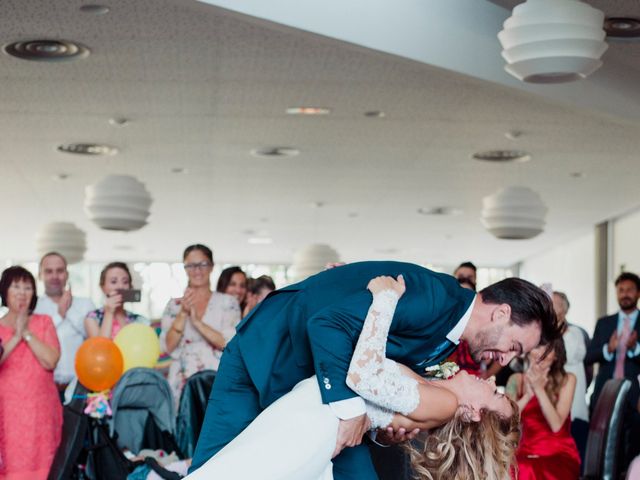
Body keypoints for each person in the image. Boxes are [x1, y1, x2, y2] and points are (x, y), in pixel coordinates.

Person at [190, 261, 560, 478]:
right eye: (514, 346)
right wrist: (353, 412)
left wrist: (384, 428)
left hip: (320, 399)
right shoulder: (433, 297)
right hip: (266, 358)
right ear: (502, 313)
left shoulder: (448, 338)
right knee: (218, 466)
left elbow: (382, 375)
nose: (506, 360)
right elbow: (327, 325)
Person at [0, 266, 62, 479]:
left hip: (42, 412)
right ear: (4, 291)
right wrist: (15, 337)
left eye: (27, 287)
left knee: (47, 467)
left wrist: (26, 332)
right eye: (15, 286)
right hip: (8, 413)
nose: (21, 292)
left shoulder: (44, 322)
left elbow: (50, 361)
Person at [160, 244, 241, 407]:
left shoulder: (228, 302)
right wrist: (183, 313)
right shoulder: (173, 305)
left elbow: (228, 343)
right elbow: (168, 346)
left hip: (216, 378)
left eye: (202, 264)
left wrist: (197, 322)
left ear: (211, 266)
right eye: (191, 265)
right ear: (185, 268)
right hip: (182, 379)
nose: (197, 270)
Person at [585, 271, 640, 468]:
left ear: (638, 293)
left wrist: (635, 348)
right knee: (604, 442)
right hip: (606, 390)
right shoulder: (605, 323)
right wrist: (608, 349)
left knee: (634, 441)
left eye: (630, 290)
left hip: (636, 394)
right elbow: (589, 356)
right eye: (621, 290)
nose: (625, 294)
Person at [507, 338, 580, 479]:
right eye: (537, 346)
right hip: (524, 452)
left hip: (559, 454)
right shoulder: (516, 379)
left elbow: (556, 426)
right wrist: (528, 395)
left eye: (547, 348)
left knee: (527, 469)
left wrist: (539, 390)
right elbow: (507, 421)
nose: (540, 353)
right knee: (509, 469)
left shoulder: (568, 379)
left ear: (557, 354)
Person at [34, 252, 95, 399]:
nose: (55, 276)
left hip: (81, 389)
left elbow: (94, 340)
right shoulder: (34, 307)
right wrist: (59, 314)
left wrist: (70, 311)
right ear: (40, 275)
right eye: (49, 271)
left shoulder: (85, 304)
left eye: (59, 270)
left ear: (67, 274)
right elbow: (35, 340)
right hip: (44, 389)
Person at [552, 291, 589, 463]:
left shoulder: (574, 333)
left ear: (564, 311)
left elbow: (567, 354)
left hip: (573, 413)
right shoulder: (539, 332)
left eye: (554, 304)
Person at [84, 262, 149, 339]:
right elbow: (101, 347)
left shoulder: (139, 320)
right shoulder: (92, 318)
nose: (120, 286)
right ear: (102, 287)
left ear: (130, 286)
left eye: (125, 282)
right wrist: (109, 312)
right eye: (113, 281)